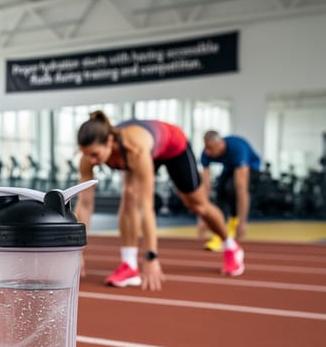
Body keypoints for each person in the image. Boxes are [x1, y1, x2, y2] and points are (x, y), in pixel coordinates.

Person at [74, 111, 244, 291]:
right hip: (144, 149)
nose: (92, 161)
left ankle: (231, 246)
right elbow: (85, 204)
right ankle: (129, 265)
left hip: (173, 148)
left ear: (109, 141)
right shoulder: (88, 158)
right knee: (129, 195)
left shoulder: (135, 148)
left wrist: (151, 257)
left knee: (198, 205)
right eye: (87, 155)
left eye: (95, 155)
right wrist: (76, 251)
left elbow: (146, 207)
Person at [199, 130, 261, 251]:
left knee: (232, 188)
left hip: (252, 167)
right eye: (206, 148)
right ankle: (221, 232)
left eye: (211, 148)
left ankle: (234, 223)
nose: (207, 152)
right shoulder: (206, 153)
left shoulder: (237, 149)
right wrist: (204, 217)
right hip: (229, 168)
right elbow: (205, 186)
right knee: (219, 190)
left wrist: (242, 223)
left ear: (220, 144)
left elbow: (242, 190)